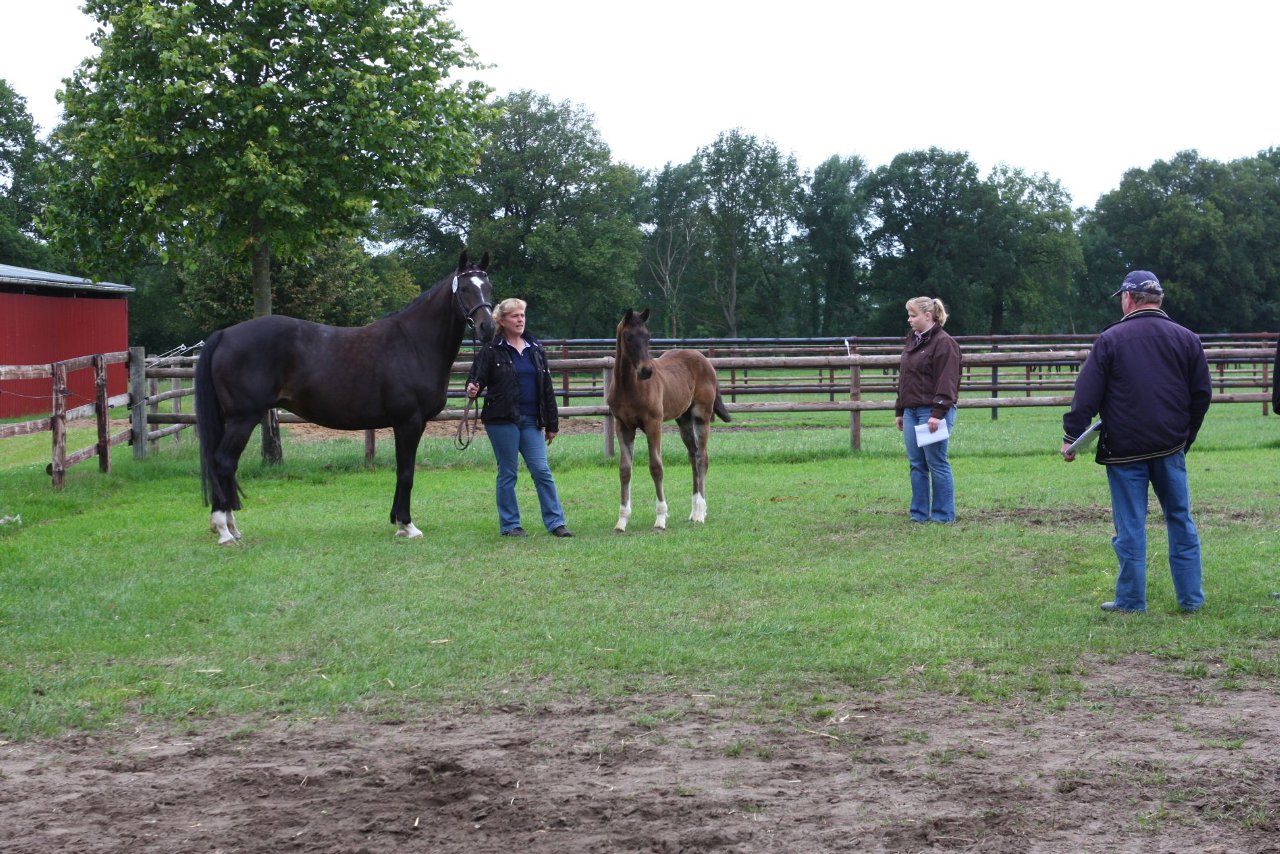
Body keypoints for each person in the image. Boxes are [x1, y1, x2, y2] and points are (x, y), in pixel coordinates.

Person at [1061, 270, 1211, 614]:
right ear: (1157, 298)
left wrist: (1072, 436)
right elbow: (1201, 395)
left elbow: (1086, 393)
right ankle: (1191, 599)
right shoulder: (1187, 338)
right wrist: (1185, 438)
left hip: (1124, 449)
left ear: (1128, 298)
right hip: (1170, 445)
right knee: (1180, 520)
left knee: (1130, 525)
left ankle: (1131, 601)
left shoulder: (1111, 339)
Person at [466, 298, 573, 538]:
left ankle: (556, 522)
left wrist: (552, 423)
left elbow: (546, 387)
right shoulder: (491, 350)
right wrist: (473, 388)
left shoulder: (535, 349)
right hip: (501, 419)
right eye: (515, 316)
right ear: (502, 321)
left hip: (532, 420)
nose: (520, 319)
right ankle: (511, 525)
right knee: (508, 472)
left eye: (522, 315)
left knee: (541, 470)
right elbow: (476, 379)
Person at [894, 296, 962, 523]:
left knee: (936, 462)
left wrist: (937, 413)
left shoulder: (945, 343)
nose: (909, 320)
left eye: (913, 315)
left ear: (928, 315)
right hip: (911, 411)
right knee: (916, 464)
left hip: (932, 411)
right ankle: (919, 514)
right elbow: (905, 377)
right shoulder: (912, 340)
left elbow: (948, 380)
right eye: (909, 315)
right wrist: (900, 409)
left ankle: (943, 515)